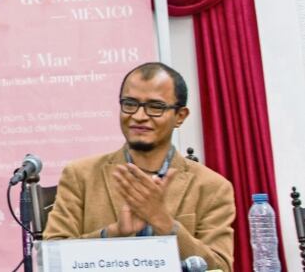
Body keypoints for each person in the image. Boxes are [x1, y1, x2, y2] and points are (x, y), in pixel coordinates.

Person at [43, 62, 234, 271]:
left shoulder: (212, 187)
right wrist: (113, 233)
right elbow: (52, 259)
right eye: (130, 103)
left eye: (155, 107)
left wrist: (165, 224)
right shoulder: (80, 175)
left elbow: (221, 267)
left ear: (180, 116)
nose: (139, 116)